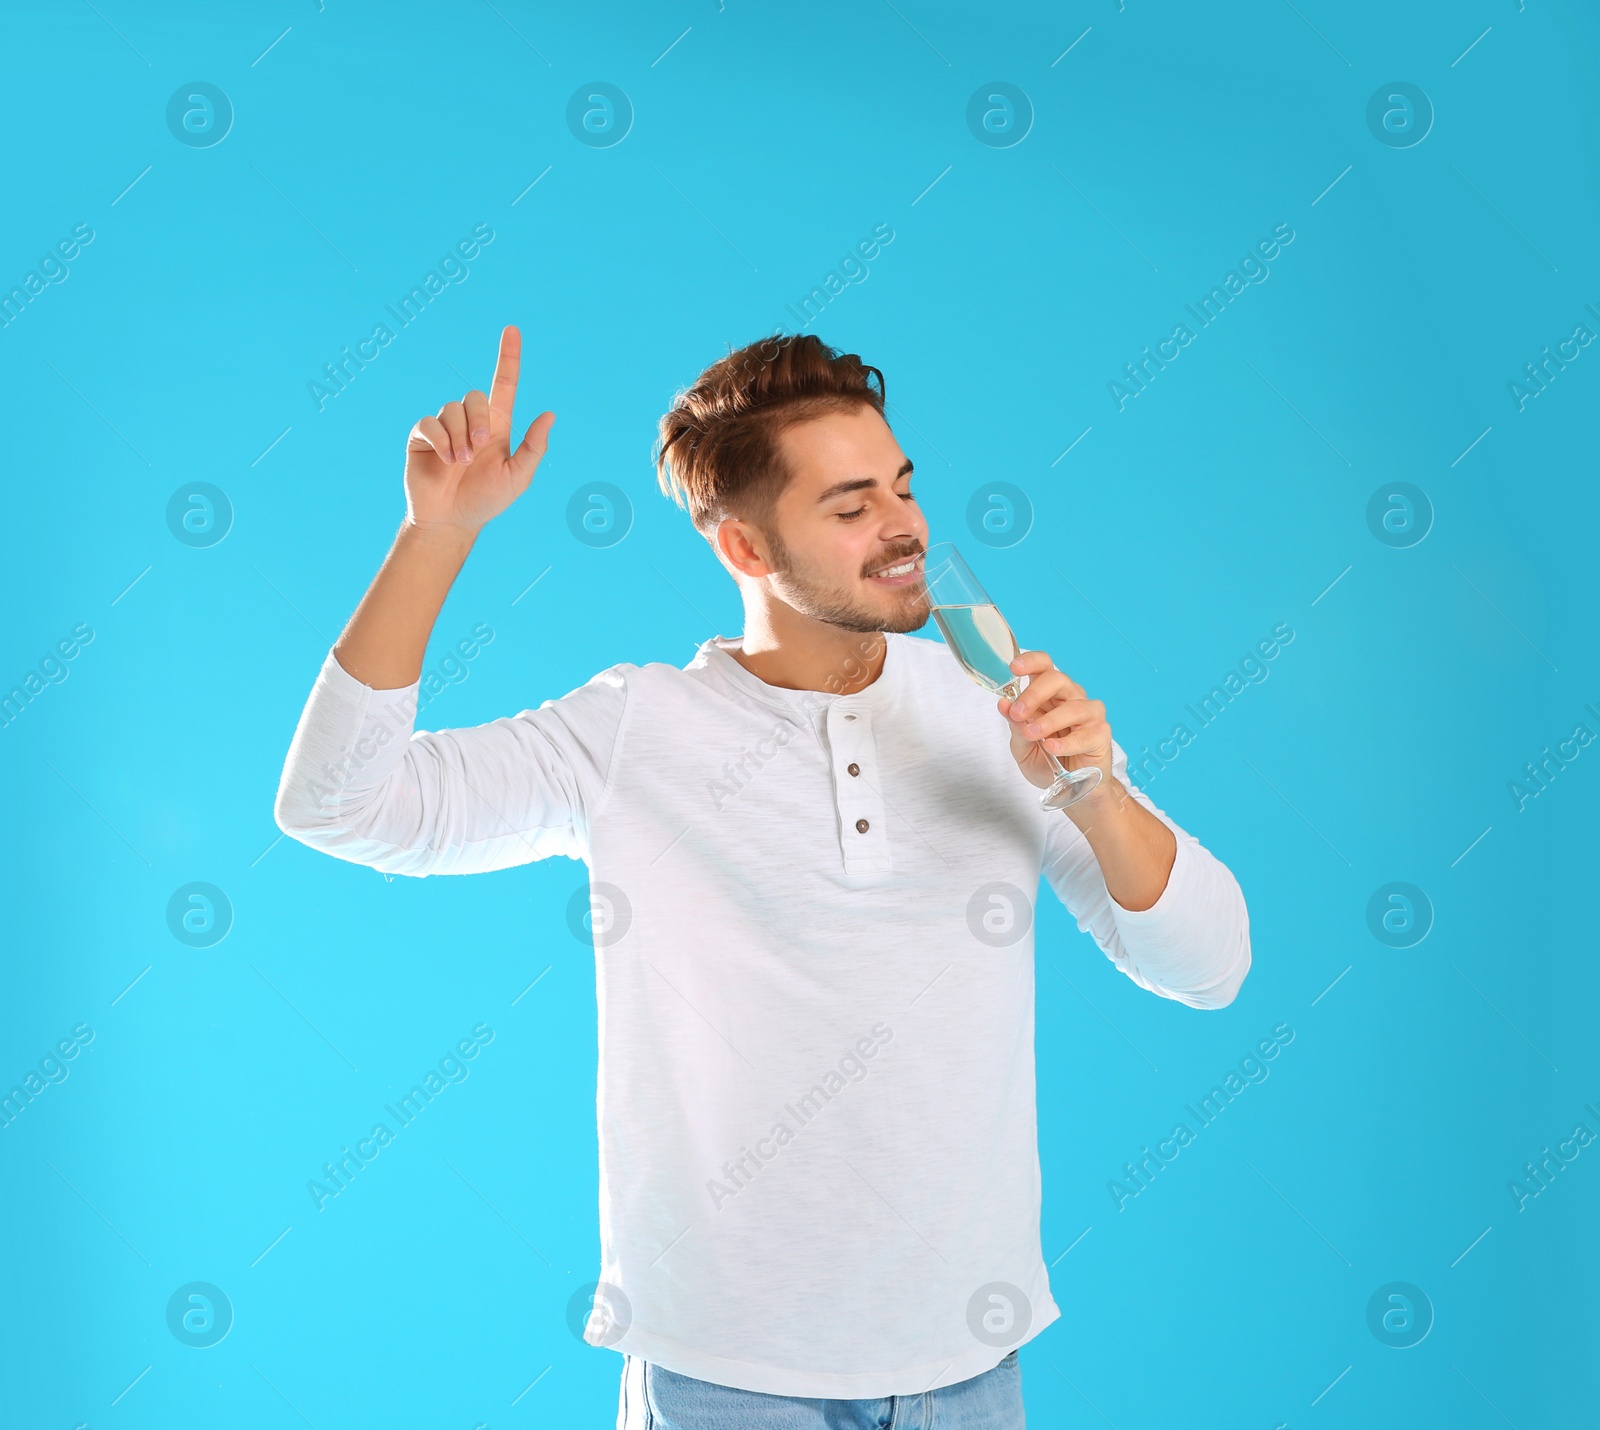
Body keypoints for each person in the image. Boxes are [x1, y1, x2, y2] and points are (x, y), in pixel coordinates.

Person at [273, 325, 1251, 1429]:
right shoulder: (633, 730)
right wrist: (436, 532)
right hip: (724, 1376)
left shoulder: (1001, 712)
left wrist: (1092, 790)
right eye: (850, 507)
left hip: (970, 1365)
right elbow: (337, 804)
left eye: (901, 486)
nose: (905, 529)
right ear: (744, 549)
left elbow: (1210, 966)